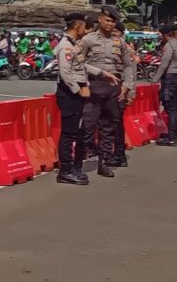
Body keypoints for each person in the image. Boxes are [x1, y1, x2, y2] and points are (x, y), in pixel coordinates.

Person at [76, 10, 135, 177]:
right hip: (94, 85)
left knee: (109, 126)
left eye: (113, 22)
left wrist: (128, 86)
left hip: (114, 86)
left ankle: (104, 161)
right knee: (88, 126)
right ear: (100, 20)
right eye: (107, 20)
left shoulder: (120, 42)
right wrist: (94, 76)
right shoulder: (88, 40)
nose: (110, 24)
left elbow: (128, 65)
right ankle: (78, 162)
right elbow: (79, 62)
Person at [55, 13, 92, 185]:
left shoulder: (73, 45)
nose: (86, 29)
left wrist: (102, 73)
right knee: (68, 133)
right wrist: (79, 90)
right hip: (69, 94)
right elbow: (65, 73)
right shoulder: (66, 46)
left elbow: (81, 66)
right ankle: (66, 170)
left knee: (73, 132)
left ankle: (70, 168)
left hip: (74, 93)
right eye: (84, 26)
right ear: (78, 26)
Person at [154, 24, 177, 146]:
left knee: (171, 108)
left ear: (166, 34)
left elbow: (164, 64)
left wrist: (155, 79)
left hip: (171, 76)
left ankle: (171, 136)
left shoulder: (169, 45)